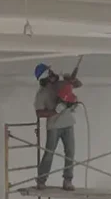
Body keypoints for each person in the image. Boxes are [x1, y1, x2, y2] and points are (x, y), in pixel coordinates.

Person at [33, 62, 82, 191]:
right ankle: (41, 180)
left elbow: (77, 85)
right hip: (54, 126)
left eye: (51, 71)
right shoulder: (41, 94)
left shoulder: (60, 84)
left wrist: (71, 81)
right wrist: (55, 111)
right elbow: (39, 113)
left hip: (68, 123)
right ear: (45, 78)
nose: (52, 73)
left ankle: (67, 181)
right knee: (49, 154)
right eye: (49, 73)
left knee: (70, 153)